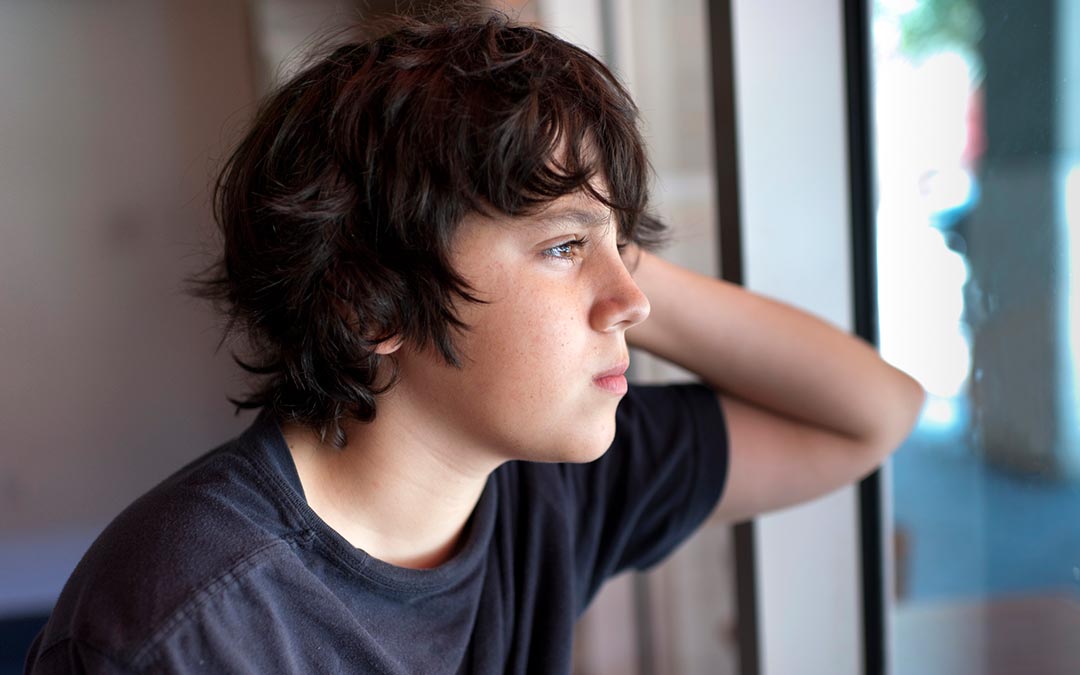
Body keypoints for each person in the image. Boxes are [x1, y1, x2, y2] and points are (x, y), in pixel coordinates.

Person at [24, 10, 924, 674]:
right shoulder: (188, 627)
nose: (630, 303)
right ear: (370, 302)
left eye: (626, 249)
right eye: (564, 248)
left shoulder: (546, 480)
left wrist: (606, 244)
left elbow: (872, 414)